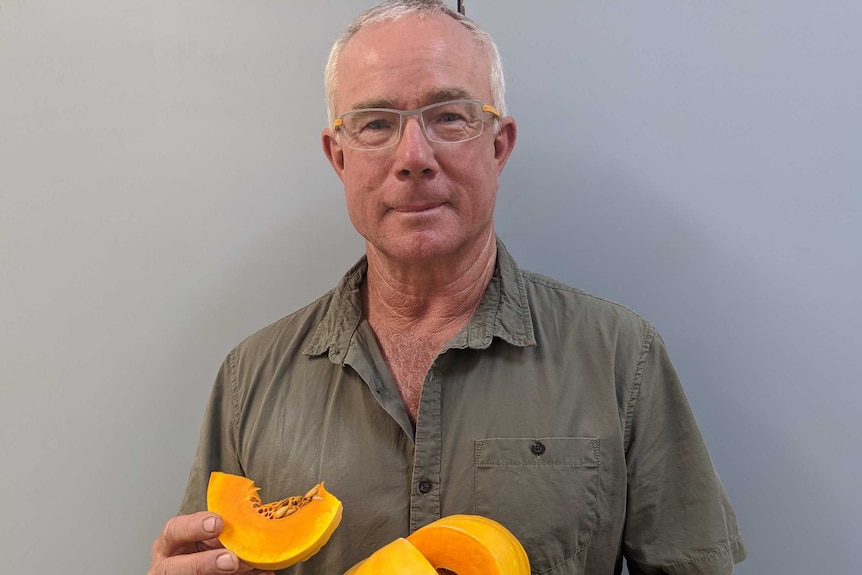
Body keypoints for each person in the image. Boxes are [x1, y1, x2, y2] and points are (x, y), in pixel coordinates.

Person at [149, 1, 747, 574]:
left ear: (499, 145)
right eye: (376, 124)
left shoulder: (622, 356)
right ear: (339, 157)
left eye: (449, 117)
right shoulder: (248, 377)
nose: (414, 157)